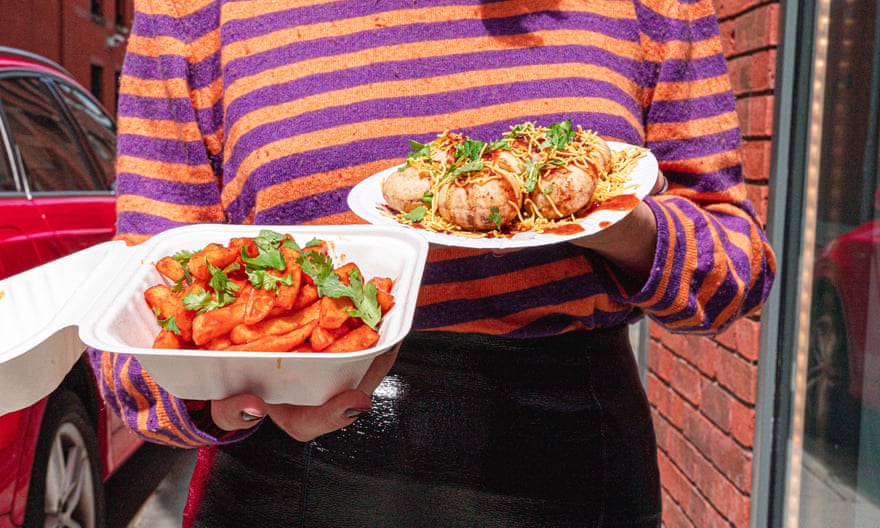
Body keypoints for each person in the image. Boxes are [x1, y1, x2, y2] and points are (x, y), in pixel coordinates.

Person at [90, 0, 776, 526]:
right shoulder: (194, 13)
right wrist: (231, 396)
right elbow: (136, 307)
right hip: (286, 480)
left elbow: (736, 267)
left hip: (570, 466)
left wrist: (623, 224)